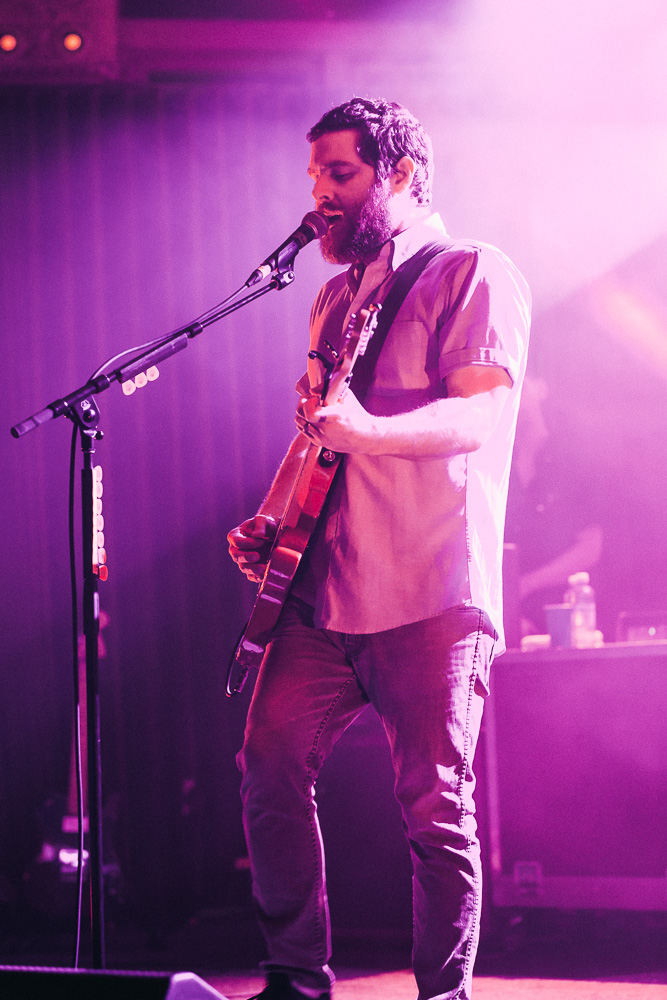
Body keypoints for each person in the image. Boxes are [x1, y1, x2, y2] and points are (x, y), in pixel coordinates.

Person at [228, 97, 531, 1000]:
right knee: (267, 766)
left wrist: (365, 430)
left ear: (400, 175)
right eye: (314, 175)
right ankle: (295, 977)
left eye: (341, 173)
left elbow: (480, 414)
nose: (319, 194)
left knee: (434, 808)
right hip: (325, 593)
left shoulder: (472, 271)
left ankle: (442, 993)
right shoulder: (332, 296)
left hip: (431, 589)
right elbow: (320, 432)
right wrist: (274, 516)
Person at [504, 375, 603, 637]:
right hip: (508, 621)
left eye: (520, 383)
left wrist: (525, 585)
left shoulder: (570, 459)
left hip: (569, 615)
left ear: (541, 388)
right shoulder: (497, 467)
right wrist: (509, 609)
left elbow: (590, 548)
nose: (513, 393)